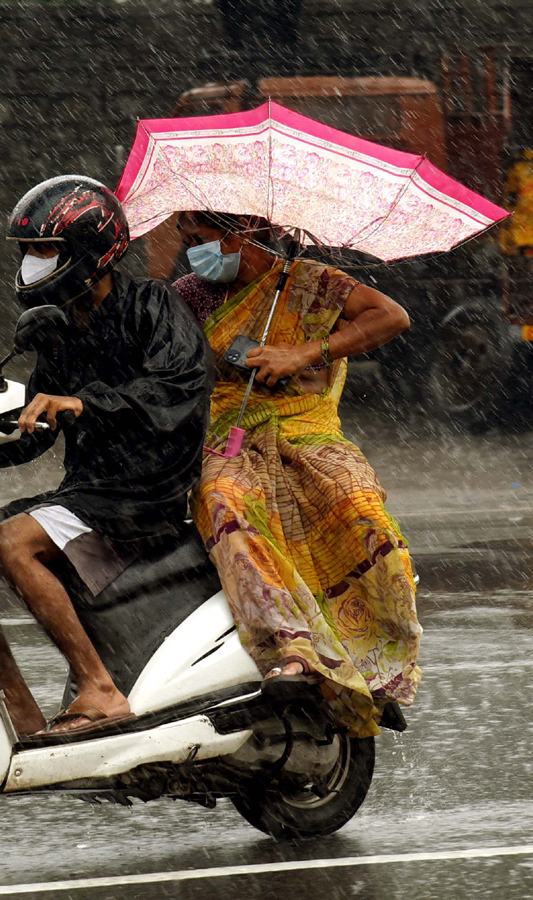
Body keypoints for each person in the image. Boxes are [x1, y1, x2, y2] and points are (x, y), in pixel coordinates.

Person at [0, 176, 212, 737]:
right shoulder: (60, 328)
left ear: (90, 252)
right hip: (89, 490)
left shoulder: (155, 305)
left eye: (46, 250)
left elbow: (174, 393)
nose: (33, 263)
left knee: (11, 542)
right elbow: (36, 427)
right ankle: (17, 706)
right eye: (28, 251)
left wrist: (84, 402)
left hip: (145, 492)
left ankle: (99, 687)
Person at [174, 210, 422, 738]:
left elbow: (392, 317)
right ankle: (292, 651)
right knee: (221, 498)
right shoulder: (189, 296)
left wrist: (304, 353)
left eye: (202, 240)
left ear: (244, 232)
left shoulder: (314, 282)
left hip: (308, 430)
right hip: (229, 430)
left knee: (360, 511)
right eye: (187, 241)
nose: (195, 253)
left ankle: (373, 665)